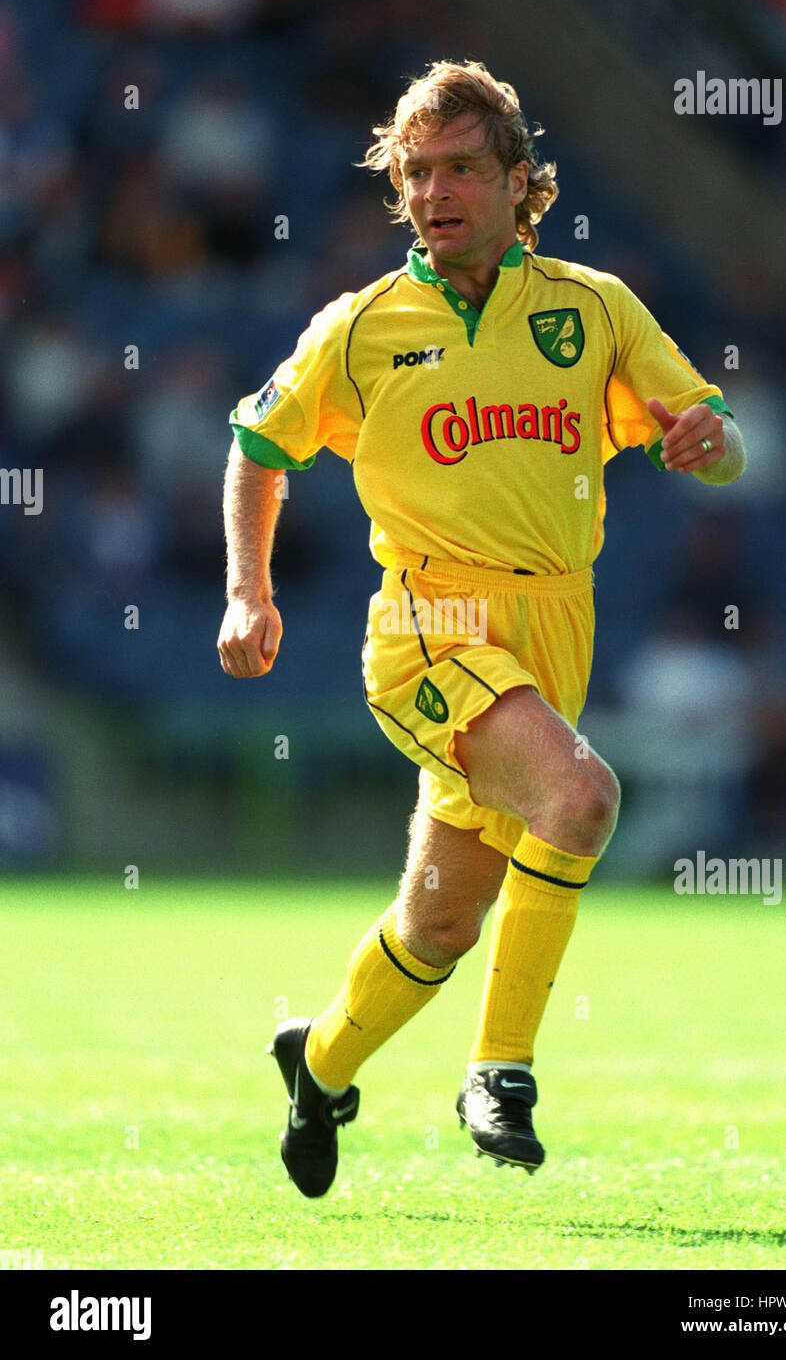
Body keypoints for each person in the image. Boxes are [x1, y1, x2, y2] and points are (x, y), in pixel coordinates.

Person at [217, 60, 746, 1198]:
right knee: (581, 796)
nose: (436, 191)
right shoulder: (359, 329)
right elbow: (257, 448)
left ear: (519, 183)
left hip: (553, 620)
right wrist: (247, 590)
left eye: (462, 167)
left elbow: (706, 423)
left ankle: (316, 1063)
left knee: (442, 921)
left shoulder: (591, 309)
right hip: (427, 619)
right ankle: (499, 1070)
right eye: (416, 172)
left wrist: (709, 442)